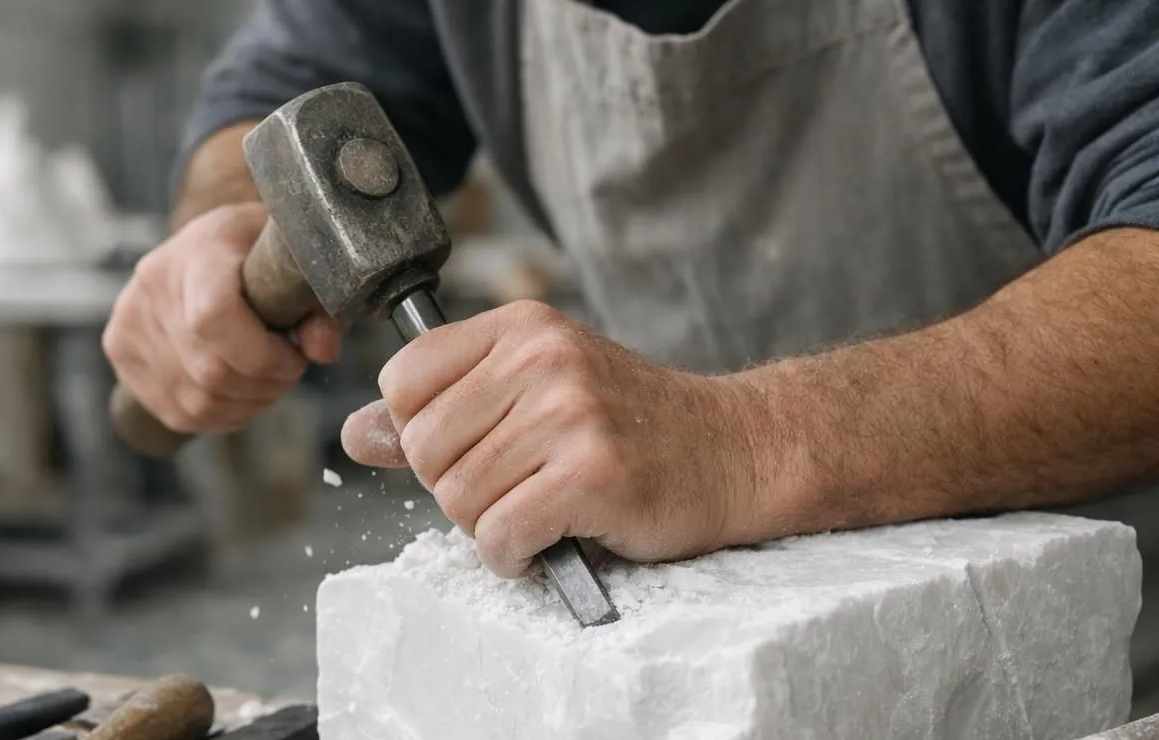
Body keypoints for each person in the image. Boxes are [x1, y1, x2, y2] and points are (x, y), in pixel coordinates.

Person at [102, 1, 1159, 586]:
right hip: (679, 655)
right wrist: (223, 222)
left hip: (1086, 702)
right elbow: (272, 109)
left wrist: (749, 440)